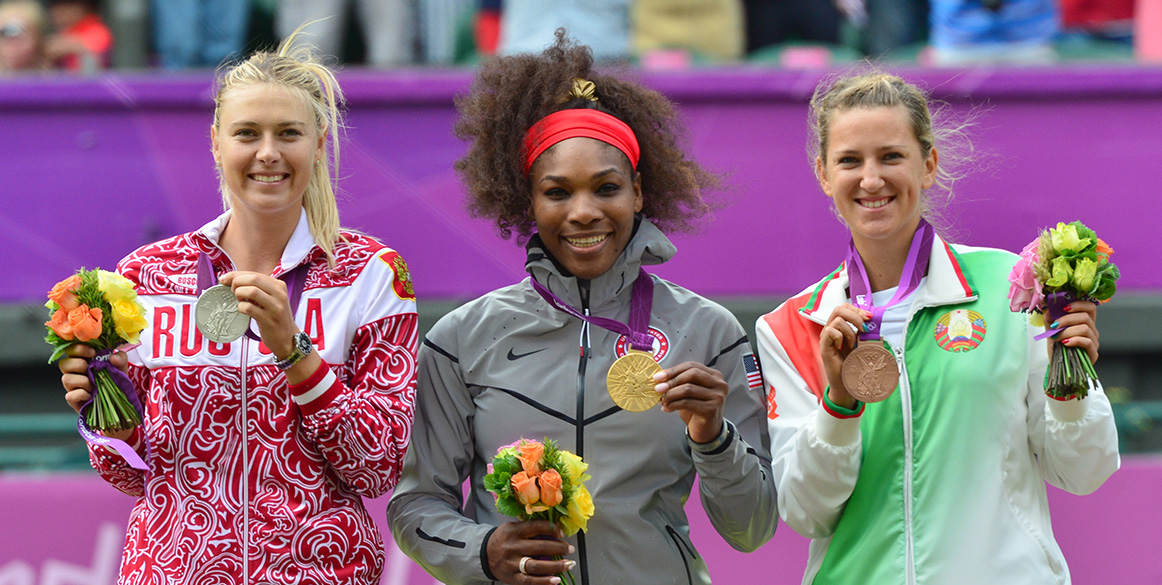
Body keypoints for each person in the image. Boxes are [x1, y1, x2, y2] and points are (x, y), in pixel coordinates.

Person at [386, 30, 776, 585]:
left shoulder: (709, 332)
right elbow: (415, 506)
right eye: (558, 192)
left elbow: (753, 527)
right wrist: (482, 551)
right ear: (529, 199)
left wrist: (714, 436)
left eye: (606, 188)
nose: (585, 212)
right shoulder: (459, 341)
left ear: (638, 192)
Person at [56, 30, 418, 584]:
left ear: (319, 144)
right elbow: (132, 476)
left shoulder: (372, 274)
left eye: (288, 134)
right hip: (169, 570)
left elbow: (376, 467)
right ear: (216, 143)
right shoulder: (145, 276)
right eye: (247, 133)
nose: (267, 153)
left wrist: (296, 354)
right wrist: (108, 411)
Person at [755, 71, 1119, 584]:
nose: (872, 179)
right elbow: (804, 512)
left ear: (928, 165)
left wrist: (1071, 381)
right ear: (823, 174)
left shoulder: (1012, 289)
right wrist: (838, 402)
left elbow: (1084, 472)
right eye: (850, 161)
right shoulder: (793, 326)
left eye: (891, 156)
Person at [43, 0, 111, 73]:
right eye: (55, 7)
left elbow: (95, 49)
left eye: (66, 6)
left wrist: (63, 45)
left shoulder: (97, 29)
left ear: (85, 8)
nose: (57, 13)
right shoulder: (63, 32)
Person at [0, 0, 49, 74]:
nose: (14, 47)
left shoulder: (57, 79)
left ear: (39, 39)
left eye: (21, 36)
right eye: (5, 35)